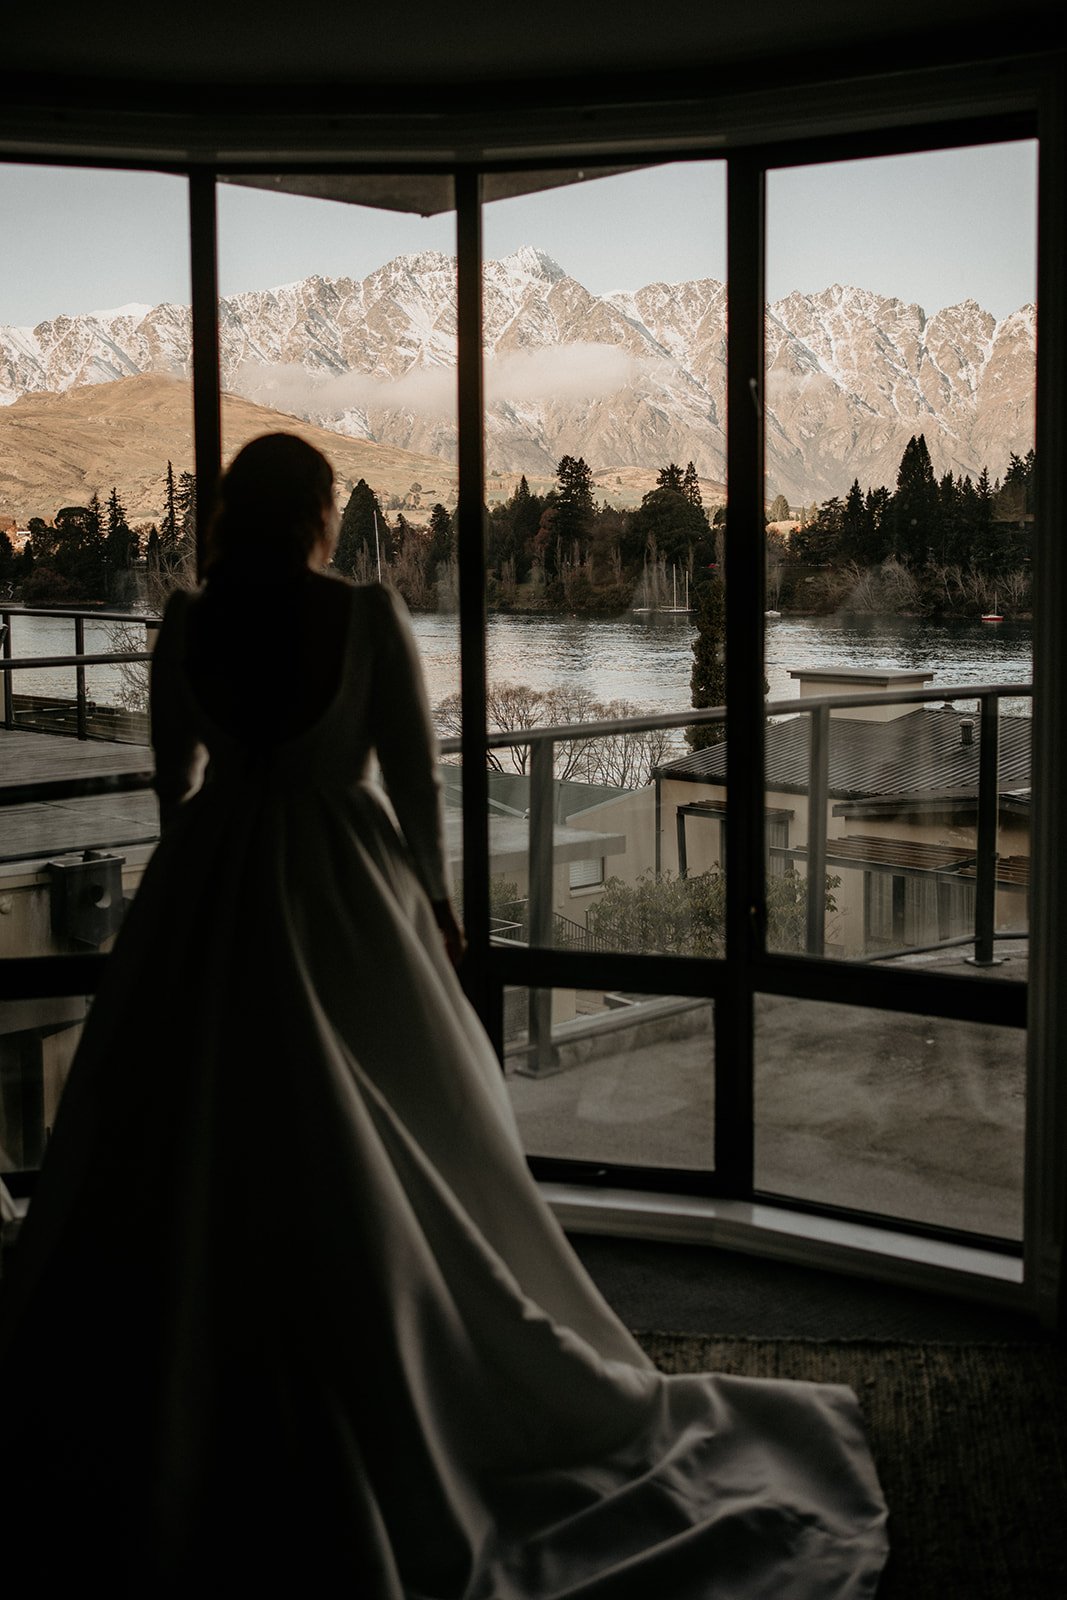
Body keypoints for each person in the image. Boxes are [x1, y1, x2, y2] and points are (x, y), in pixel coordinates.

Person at [0, 434, 887, 1596]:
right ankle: (404, 1343)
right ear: (320, 512)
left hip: (209, 891)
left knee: (192, 1132)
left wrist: (196, 893)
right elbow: (413, 782)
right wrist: (434, 904)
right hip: (343, 886)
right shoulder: (362, 618)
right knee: (397, 1115)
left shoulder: (187, 622)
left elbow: (176, 785)